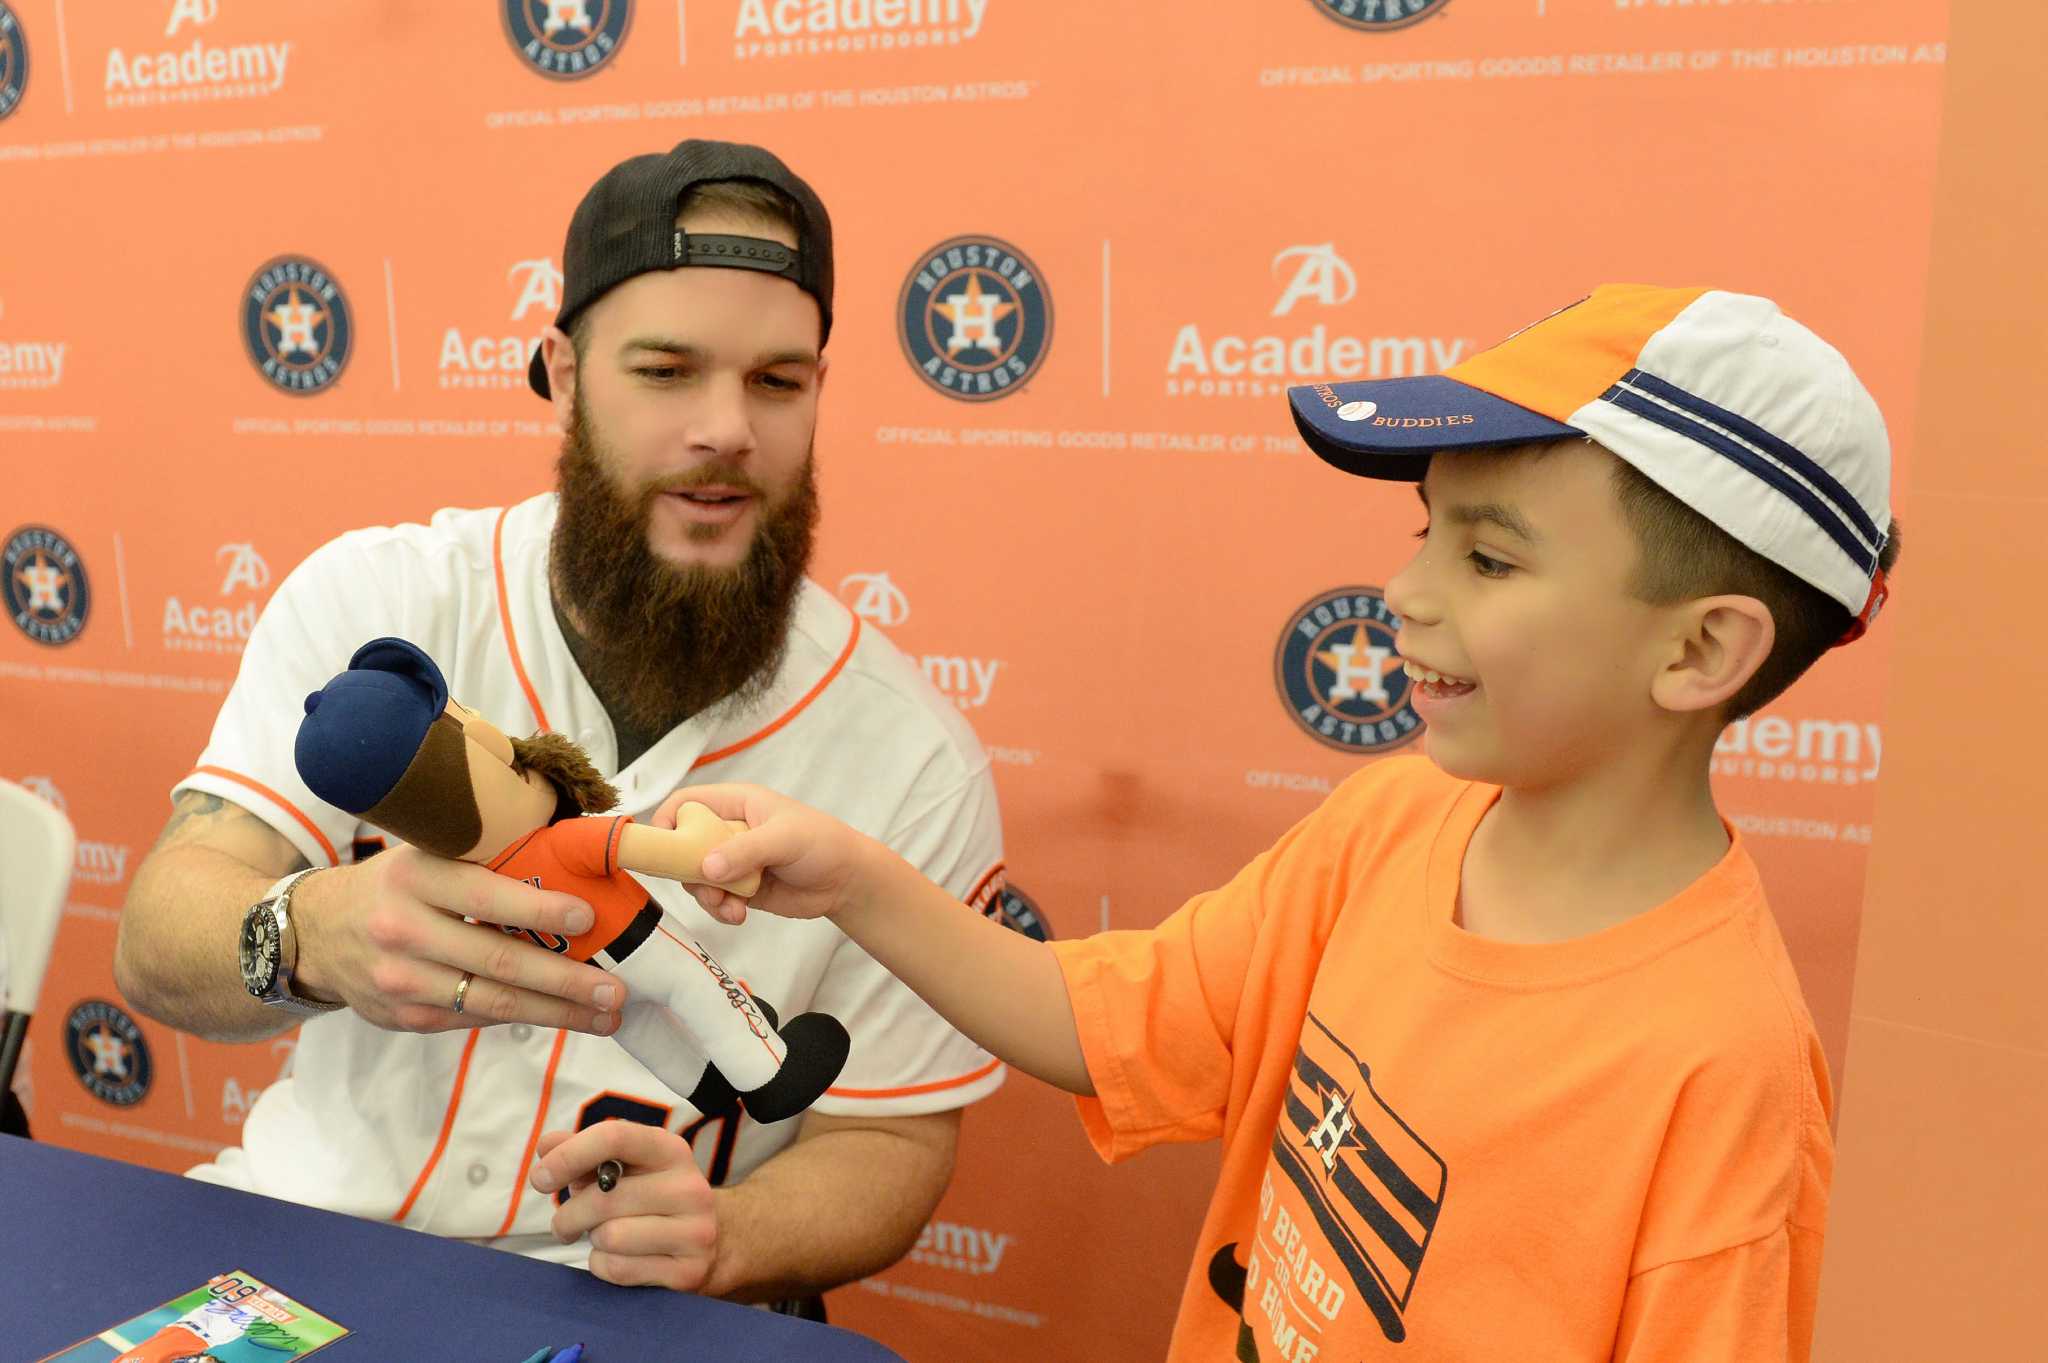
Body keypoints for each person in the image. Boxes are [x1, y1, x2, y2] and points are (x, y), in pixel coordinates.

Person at [666, 284, 1896, 1358]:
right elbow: (1113, 1024)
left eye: (1488, 560)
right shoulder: (1395, 820)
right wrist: (855, 882)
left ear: (1698, 648)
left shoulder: (1722, 1080)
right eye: (1425, 531)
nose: (1402, 593)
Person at [114, 139, 1007, 1310]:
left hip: (627, 1311)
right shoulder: (379, 598)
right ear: (565, 371)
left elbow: (892, 1148)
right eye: (667, 370)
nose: (726, 429)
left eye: (777, 381)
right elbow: (157, 935)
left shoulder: (912, 753)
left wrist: (730, 1237)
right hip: (297, 1260)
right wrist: (305, 932)